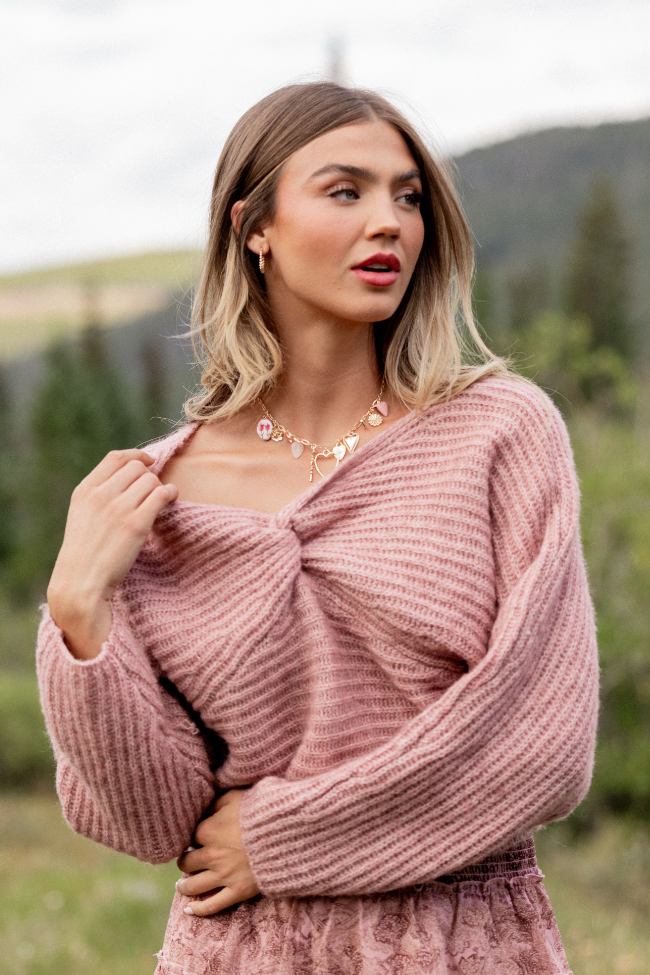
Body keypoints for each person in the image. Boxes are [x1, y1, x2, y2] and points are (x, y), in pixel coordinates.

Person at [37, 82, 598, 975]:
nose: (389, 223)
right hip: (241, 950)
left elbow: (543, 743)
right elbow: (152, 821)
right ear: (254, 226)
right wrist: (77, 615)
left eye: (407, 197)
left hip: (462, 943)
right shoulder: (155, 500)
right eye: (346, 191)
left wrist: (286, 838)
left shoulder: (499, 432)